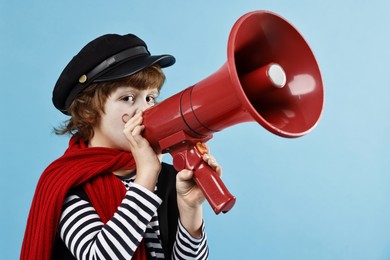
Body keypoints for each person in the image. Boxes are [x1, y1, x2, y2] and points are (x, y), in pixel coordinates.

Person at [21, 33, 222, 260]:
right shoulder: (68, 185)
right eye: (128, 98)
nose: (145, 110)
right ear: (89, 112)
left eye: (150, 98)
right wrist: (145, 176)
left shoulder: (168, 177)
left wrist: (190, 208)